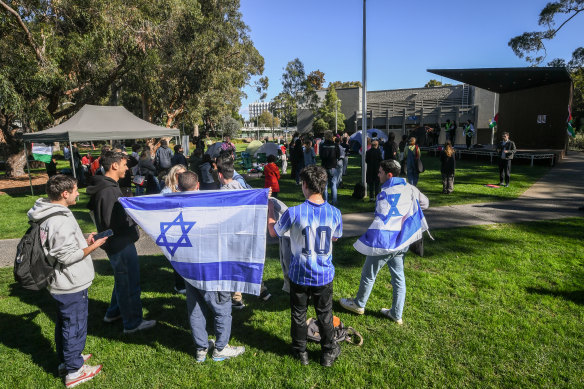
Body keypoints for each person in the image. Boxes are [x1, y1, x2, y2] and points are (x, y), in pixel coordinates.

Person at [28, 175, 108, 387]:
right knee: (74, 325)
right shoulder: (59, 220)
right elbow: (66, 256)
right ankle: (74, 371)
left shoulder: (48, 211)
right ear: (65, 194)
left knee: (65, 324)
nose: (78, 193)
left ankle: (68, 360)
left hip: (60, 282)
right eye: (75, 190)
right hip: (70, 282)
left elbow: (61, 244)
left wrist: (83, 239)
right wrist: (94, 245)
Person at [268, 165, 342, 367]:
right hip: (323, 274)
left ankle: (301, 352)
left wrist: (269, 207)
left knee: (298, 314)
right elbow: (334, 237)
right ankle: (328, 353)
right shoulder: (335, 213)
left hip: (299, 273)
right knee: (325, 314)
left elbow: (274, 232)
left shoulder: (294, 212)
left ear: (305, 185)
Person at [340, 159, 429, 325]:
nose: (378, 174)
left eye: (380, 172)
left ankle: (359, 304)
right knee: (398, 277)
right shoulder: (410, 188)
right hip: (402, 240)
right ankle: (396, 313)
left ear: (389, 175)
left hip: (384, 241)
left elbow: (380, 217)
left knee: (369, 273)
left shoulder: (384, 194)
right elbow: (425, 203)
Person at [174, 170, 245, 363]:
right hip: (214, 267)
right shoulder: (211, 206)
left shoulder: (173, 208)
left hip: (189, 267)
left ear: (178, 188)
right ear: (198, 185)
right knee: (222, 307)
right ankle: (221, 347)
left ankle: (201, 349)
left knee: (195, 308)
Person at [86, 151, 156, 334]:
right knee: (129, 283)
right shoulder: (109, 191)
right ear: (114, 165)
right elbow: (113, 222)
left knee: (122, 279)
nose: (127, 168)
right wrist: (133, 218)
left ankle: (114, 312)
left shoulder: (106, 186)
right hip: (120, 243)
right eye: (125, 165)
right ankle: (132, 323)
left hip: (116, 243)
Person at [320, 131, 341, 205]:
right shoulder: (335, 145)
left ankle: (325, 200)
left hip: (325, 166)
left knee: (325, 184)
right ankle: (334, 200)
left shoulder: (322, 145)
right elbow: (338, 155)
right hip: (333, 166)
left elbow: (321, 155)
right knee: (333, 183)